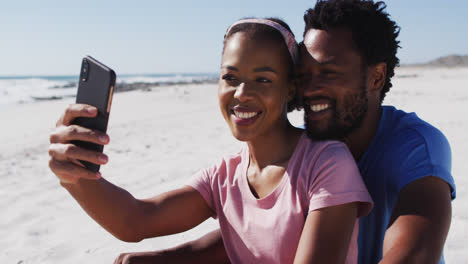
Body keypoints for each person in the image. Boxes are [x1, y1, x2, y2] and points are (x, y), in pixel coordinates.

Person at [115, 1, 456, 263]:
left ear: (376, 78)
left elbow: (415, 255)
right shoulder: (308, 143)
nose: (309, 89)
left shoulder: (415, 145)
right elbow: (263, 229)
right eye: (304, 75)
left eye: (329, 73)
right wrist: (166, 259)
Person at [48, 17, 373, 264]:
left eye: (263, 79)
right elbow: (135, 220)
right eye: (230, 78)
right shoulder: (224, 176)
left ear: (289, 89)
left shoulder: (327, 163)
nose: (242, 94)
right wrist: (75, 178)